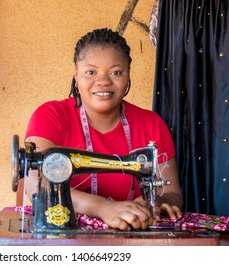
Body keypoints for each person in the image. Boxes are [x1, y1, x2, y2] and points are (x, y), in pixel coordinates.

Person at [24, 28, 183, 231]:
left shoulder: (151, 124)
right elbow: (37, 184)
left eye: (116, 72)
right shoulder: (51, 116)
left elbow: (171, 192)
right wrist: (103, 208)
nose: (103, 82)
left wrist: (154, 205)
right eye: (90, 72)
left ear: (128, 75)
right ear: (76, 75)